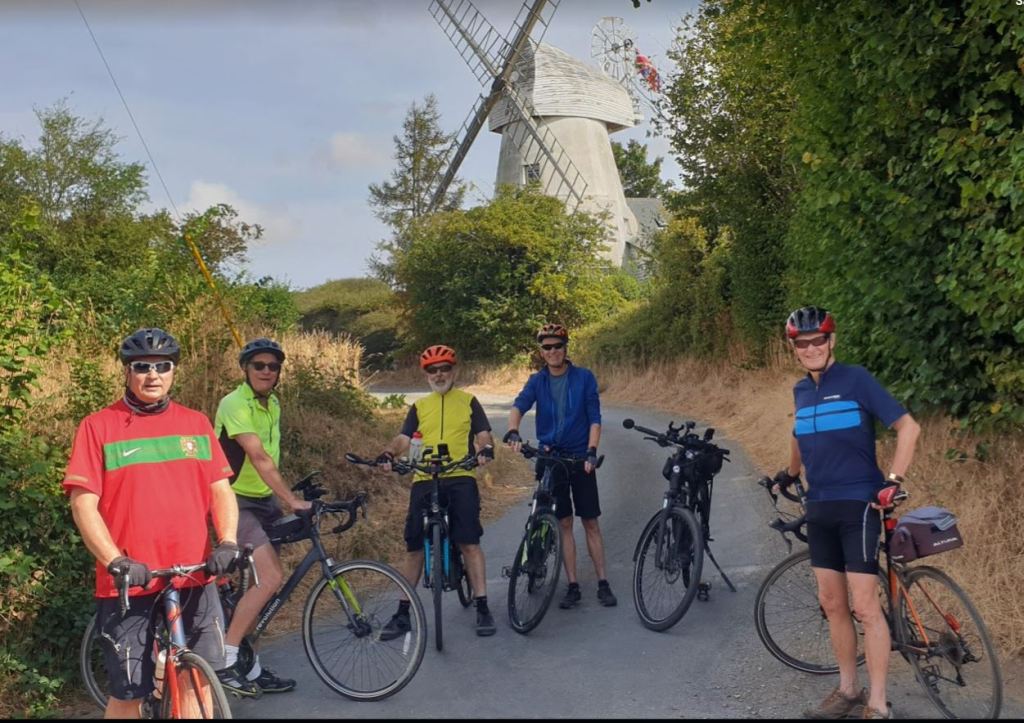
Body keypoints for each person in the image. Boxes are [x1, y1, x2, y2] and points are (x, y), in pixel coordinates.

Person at [64, 328, 244, 718]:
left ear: (173, 371)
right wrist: (115, 560)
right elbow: (83, 505)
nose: (152, 375)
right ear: (127, 371)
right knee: (129, 692)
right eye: (141, 367)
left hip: (194, 574)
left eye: (162, 366)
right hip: (129, 581)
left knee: (197, 680)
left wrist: (228, 541)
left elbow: (220, 491)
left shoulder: (196, 424)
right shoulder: (98, 426)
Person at [775, 307, 920, 720]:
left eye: (818, 340)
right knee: (831, 603)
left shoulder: (856, 379)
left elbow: (909, 428)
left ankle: (878, 703)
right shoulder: (800, 390)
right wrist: (790, 473)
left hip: (860, 504)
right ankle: (848, 689)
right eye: (802, 343)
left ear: (831, 340)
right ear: (794, 348)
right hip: (819, 505)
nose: (811, 349)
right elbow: (799, 433)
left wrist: (893, 479)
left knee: (865, 607)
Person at [377, 344, 497, 637]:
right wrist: (389, 453)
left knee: (469, 542)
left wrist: (485, 449)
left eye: (445, 368)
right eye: (433, 370)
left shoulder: (468, 401)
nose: (439, 374)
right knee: (414, 547)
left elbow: (483, 434)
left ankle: (482, 606)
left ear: (454, 371)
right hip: (424, 477)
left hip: (460, 475)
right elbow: (403, 438)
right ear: (426, 374)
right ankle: (402, 613)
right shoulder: (420, 406)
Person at [213, 337, 310, 695]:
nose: (267, 371)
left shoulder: (273, 404)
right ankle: (224, 661)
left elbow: (270, 458)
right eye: (259, 365)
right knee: (270, 577)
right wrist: (292, 500)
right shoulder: (234, 403)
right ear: (246, 369)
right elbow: (258, 457)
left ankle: (248, 665)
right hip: (233, 500)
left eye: (273, 366)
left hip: (264, 499)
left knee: (263, 586)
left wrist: (282, 499)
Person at [504, 323, 617, 609]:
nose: (553, 351)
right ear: (541, 352)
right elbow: (518, 406)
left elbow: (594, 418)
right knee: (564, 522)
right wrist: (513, 430)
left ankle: (603, 582)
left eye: (557, 346)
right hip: (551, 458)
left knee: (590, 521)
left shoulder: (584, 378)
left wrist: (592, 451)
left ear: (566, 348)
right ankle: (573, 584)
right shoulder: (537, 381)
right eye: (547, 347)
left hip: (579, 458)